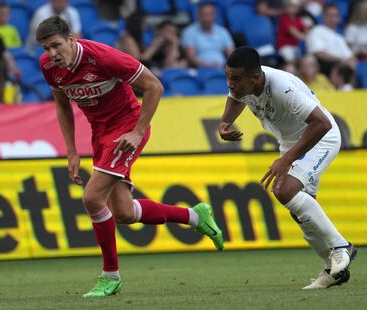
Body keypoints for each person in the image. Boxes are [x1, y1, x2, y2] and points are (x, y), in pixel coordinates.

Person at [37, 16, 224, 298]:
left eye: (56, 45)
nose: (51, 53)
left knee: (91, 198)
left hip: (127, 128)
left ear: (71, 39)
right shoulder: (49, 67)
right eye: (45, 48)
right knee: (123, 212)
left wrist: (138, 132)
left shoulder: (104, 58)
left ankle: (110, 276)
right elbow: (62, 106)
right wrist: (71, 149)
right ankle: (194, 216)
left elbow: (154, 87)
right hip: (100, 133)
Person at [219, 46, 356, 290]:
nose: (230, 83)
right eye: (227, 76)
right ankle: (331, 269)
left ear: (255, 77)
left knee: (284, 190)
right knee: (299, 211)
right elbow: (235, 98)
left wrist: (285, 159)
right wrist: (225, 122)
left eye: (235, 79)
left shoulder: (282, 87)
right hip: (292, 143)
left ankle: (341, 246)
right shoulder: (244, 83)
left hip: (320, 137)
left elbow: (322, 124)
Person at [305, 4, 356, 76]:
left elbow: (350, 56)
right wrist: (340, 60)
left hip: (342, 66)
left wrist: (352, 62)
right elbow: (318, 53)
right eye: (330, 15)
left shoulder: (340, 37)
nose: (333, 18)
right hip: (325, 66)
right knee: (342, 68)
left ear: (339, 18)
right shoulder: (316, 31)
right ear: (323, 16)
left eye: (335, 15)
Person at [181, 2, 234, 68]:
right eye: (204, 14)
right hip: (200, 71)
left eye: (210, 14)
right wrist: (208, 66)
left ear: (215, 15)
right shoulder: (189, 32)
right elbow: (191, 58)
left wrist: (225, 66)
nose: (207, 18)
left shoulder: (222, 31)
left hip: (222, 69)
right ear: (198, 15)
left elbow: (232, 55)